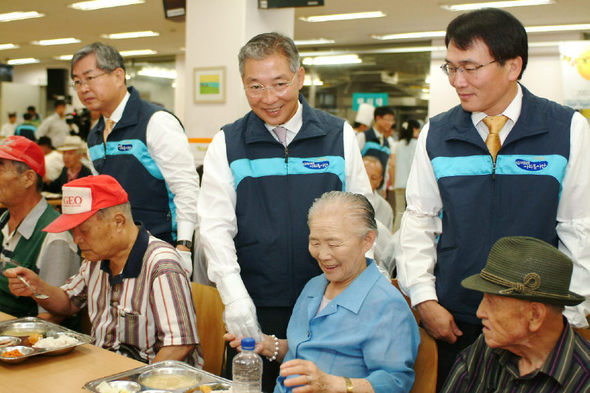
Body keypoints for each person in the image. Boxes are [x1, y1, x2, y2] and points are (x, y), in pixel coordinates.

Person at [396, 8, 590, 389]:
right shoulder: (438, 133)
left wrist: (574, 312)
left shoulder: (565, 129)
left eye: (470, 67)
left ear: (513, 66)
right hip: (456, 320)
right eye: (450, 68)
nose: (458, 81)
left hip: (535, 324)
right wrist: (423, 299)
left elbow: (579, 227)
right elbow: (419, 220)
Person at [197, 32, 372, 391]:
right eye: (255, 87)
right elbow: (215, 228)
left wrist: (366, 290)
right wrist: (235, 299)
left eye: (280, 83)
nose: (269, 98)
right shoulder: (228, 143)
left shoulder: (337, 136)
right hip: (257, 305)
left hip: (330, 304)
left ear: (300, 77)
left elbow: (364, 219)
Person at [227, 191, 420, 393]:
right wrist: (268, 345)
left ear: (367, 241)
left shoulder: (387, 305)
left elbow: (395, 383)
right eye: (315, 243)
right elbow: (306, 353)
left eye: (334, 243)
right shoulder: (314, 287)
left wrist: (333, 385)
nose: (323, 254)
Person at [4, 175, 201, 365]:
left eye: (84, 230)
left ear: (118, 221)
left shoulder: (161, 264)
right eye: (73, 232)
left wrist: (137, 383)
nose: (76, 240)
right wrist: (36, 287)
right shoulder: (95, 259)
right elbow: (68, 303)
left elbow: (179, 345)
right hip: (102, 367)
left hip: (148, 378)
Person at [71, 42, 199, 275]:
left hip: (162, 248)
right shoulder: (95, 135)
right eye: (77, 82)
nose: (83, 89)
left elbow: (186, 188)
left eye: (90, 78)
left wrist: (184, 246)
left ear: (118, 75)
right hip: (118, 252)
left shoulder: (156, 122)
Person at [441, 236, 590, 393]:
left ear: (535, 315)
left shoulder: (583, 381)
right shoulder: (487, 348)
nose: (480, 312)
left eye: (492, 302)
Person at [0, 136, 79, 319]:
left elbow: (52, 317)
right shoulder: (5, 219)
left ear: (28, 178)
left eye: (1, 168)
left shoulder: (55, 237)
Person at [391, 119, 420, 233]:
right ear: (414, 129)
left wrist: (393, 183)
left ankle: (395, 235)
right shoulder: (418, 144)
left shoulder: (396, 145)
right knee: (414, 212)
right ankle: (410, 234)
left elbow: (392, 165)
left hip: (399, 184)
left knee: (399, 212)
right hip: (414, 185)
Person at [356, 106, 396, 183]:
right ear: (378, 118)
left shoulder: (387, 142)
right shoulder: (363, 136)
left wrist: (384, 187)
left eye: (392, 120)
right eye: (388, 120)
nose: (390, 123)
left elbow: (386, 166)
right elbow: (354, 159)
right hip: (362, 183)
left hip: (378, 186)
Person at [363, 155, 393, 232]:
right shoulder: (341, 200)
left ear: (379, 181)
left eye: (373, 178)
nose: (367, 182)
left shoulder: (385, 209)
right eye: (364, 175)